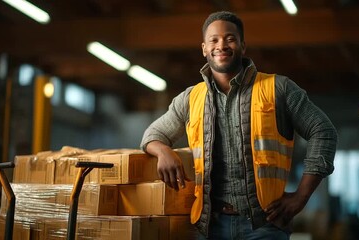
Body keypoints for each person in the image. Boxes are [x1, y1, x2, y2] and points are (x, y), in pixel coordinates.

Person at [140, 11, 337, 240]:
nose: (221, 45)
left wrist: (301, 197)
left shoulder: (278, 88)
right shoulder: (191, 97)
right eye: (213, 40)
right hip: (208, 227)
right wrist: (163, 151)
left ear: (243, 46)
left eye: (230, 38)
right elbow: (152, 135)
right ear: (204, 48)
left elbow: (323, 131)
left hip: (265, 226)